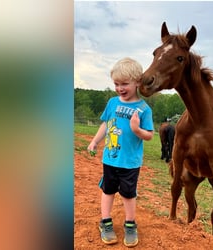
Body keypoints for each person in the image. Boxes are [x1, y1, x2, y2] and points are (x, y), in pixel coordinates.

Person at [87, 57, 154, 247]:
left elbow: (149, 135)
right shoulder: (112, 102)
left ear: (137, 82)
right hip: (110, 159)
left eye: (125, 84)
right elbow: (106, 124)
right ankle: (105, 222)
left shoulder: (143, 109)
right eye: (116, 84)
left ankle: (130, 225)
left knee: (128, 194)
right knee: (108, 190)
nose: (119, 88)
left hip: (130, 162)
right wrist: (94, 141)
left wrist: (137, 130)